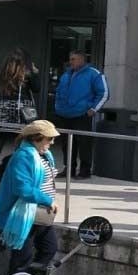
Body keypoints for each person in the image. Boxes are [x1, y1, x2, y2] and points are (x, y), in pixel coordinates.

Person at [0, 120, 61, 275]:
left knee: (49, 248)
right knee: (22, 256)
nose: (51, 143)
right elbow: (23, 188)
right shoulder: (23, 156)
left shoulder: (44, 155)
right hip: (24, 214)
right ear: (37, 138)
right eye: (49, 139)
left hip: (41, 215)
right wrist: (47, 199)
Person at [52, 50, 109, 179]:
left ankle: (85, 170)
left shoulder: (94, 74)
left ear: (82, 60)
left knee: (84, 143)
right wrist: (57, 106)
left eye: (74, 59)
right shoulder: (66, 75)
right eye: (70, 59)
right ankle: (69, 169)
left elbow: (104, 93)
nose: (71, 61)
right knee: (67, 144)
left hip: (81, 114)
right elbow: (59, 91)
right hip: (64, 114)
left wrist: (94, 109)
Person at [0, 48, 40, 176]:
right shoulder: (27, 74)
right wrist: (35, 72)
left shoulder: (2, 71)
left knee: (0, 137)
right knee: (23, 136)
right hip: (23, 107)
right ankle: (18, 166)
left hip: (6, 105)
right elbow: (36, 89)